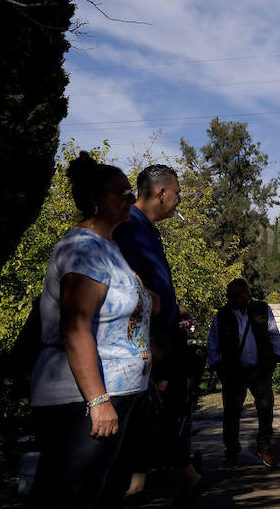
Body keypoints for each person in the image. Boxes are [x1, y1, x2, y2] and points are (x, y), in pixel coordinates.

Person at [30, 152, 152, 508]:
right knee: (62, 496)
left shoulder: (109, 248)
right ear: (96, 199)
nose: (132, 199)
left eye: (133, 193)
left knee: (90, 495)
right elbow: (76, 328)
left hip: (115, 395)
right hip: (80, 401)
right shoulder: (83, 249)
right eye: (123, 193)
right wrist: (98, 401)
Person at [112, 165, 204, 501]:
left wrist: (171, 307)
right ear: (161, 193)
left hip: (161, 337)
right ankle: (177, 475)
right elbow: (130, 282)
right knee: (151, 407)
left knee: (158, 407)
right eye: (177, 193)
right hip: (143, 341)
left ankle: (145, 479)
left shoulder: (147, 230)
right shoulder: (128, 227)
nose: (179, 200)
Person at [208, 278, 280, 469]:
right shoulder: (223, 314)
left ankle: (265, 448)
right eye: (229, 296)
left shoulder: (262, 309)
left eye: (234, 295)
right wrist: (215, 364)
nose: (231, 299)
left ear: (246, 294)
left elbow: (273, 333)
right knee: (231, 413)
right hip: (233, 371)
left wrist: (276, 356)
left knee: (265, 409)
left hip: (260, 368)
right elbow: (214, 340)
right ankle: (231, 454)